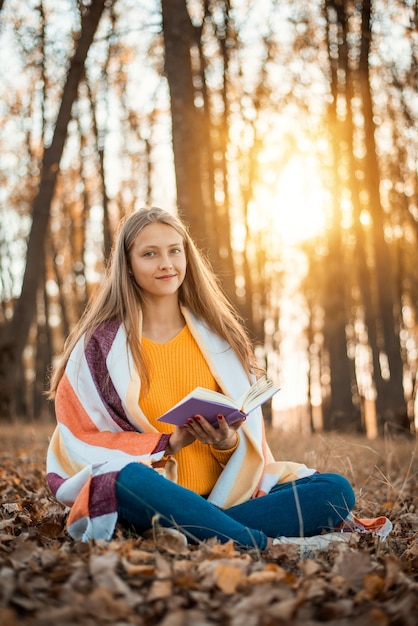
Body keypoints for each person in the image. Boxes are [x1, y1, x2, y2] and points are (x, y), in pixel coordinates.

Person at [47, 206, 356, 549]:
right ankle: (269, 545)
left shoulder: (219, 338)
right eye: (150, 254)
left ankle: (202, 533)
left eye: (174, 251)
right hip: (151, 499)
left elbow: (246, 447)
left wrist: (227, 444)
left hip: (229, 498)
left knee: (334, 490)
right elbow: (79, 437)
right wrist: (168, 443)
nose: (166, 263)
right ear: (129, 266)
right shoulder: (98, 347)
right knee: (124, 478)